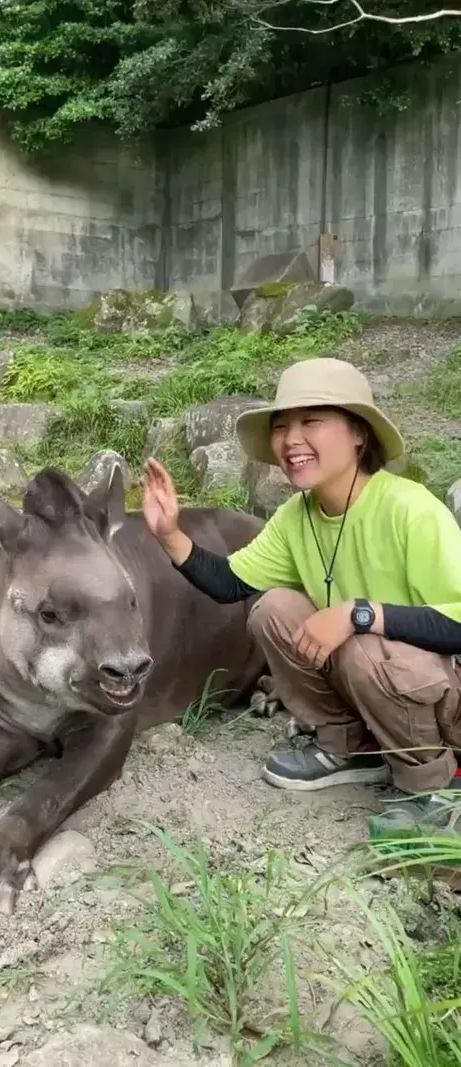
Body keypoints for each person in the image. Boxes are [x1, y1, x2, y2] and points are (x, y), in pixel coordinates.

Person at [142, 356, 461, 841]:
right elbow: (231, 584)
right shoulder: (299, 515)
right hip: (381, 684)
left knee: (359, 639)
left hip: (443, 698)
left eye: (312, 421)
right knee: (274, 610)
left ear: (359, 434)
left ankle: (432, 789)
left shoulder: (410, 509)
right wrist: (169, 534)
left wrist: (360, 614)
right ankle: (350, 748)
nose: (291, 439)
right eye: (282, 425)